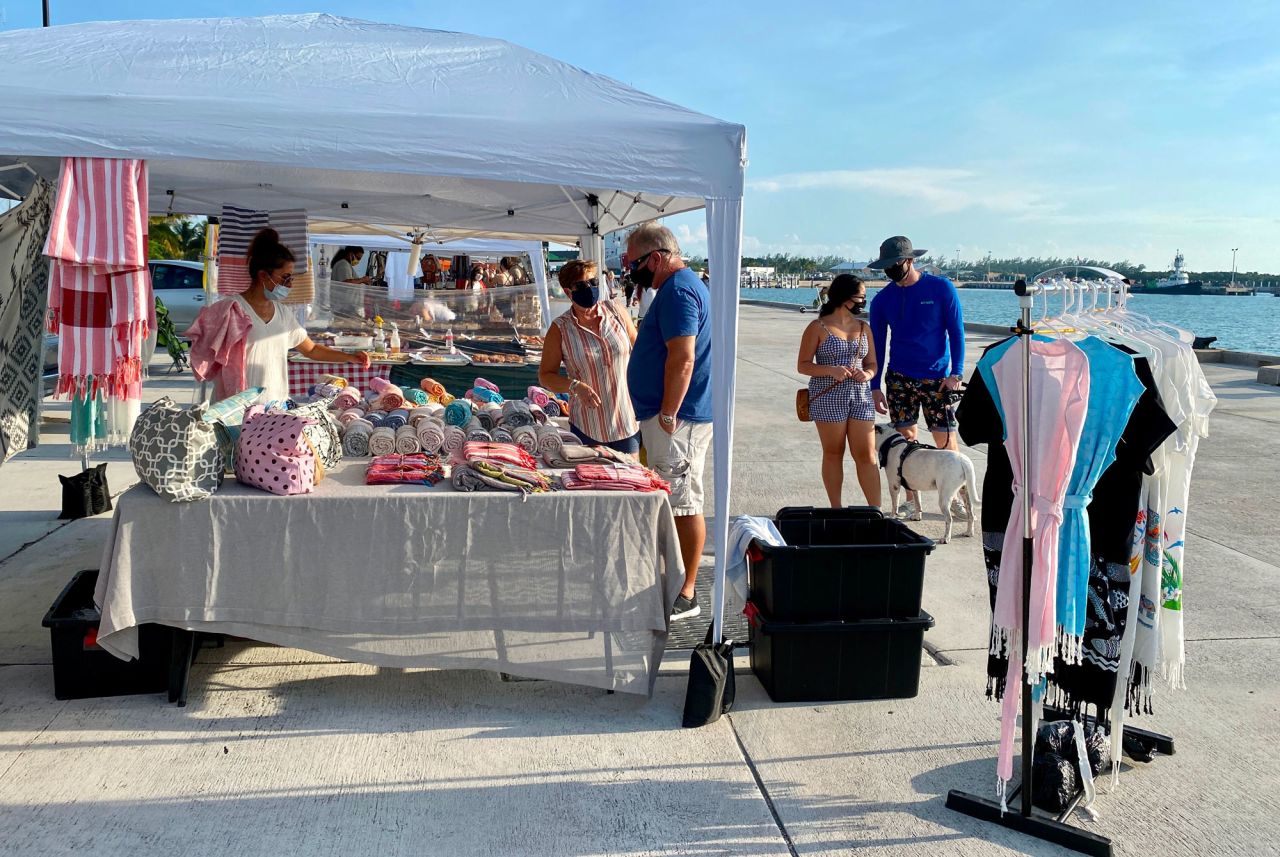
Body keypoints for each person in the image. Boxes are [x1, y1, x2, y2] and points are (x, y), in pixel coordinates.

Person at [625, 223, 712, 620]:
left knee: (683, 503)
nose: (631, 271)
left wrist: (668, 412)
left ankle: (687, 593)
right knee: (673, 500)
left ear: (656, 258)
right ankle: (675, 580)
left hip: (678, 420)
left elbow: (683, 357)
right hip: (670, 417)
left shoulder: (678, 291)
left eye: (634, 263)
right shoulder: (678, 289)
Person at [866, 236, 966, 512]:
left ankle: (954, 496)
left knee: (945, 439)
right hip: (899, 378)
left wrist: (956, 372)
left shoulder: (941, 288)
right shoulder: (883, 300)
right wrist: (875, 386)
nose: (891, 270)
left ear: (910, 261)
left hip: (937, 378)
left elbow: (956, 332)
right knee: (905, 441)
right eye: (886, 266)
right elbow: (877, 345)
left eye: (895, 264)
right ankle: (912, 502)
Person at [233, 229, 371, 402]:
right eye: (286, 277)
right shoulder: (231, 310)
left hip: (273, 405)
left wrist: (351, 357)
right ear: (263, 275)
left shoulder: (282, 313)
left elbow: (311, 349)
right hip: (235, 408)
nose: (290, 284)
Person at [537, 260, 640, 453]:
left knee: (631, 480)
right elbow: (545, 376)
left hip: (626, 420)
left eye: (593, 282)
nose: (590, 288)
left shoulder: (617, 312)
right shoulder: (560, 328)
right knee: (592, 480)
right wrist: (575, 386)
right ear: (568, 292)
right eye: (582, 285)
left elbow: (640, 352)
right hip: (588, 426)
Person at [796, 274, 880, 508]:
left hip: (861, 396)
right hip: (828, 395)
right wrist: (830, 370)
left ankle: (876, 510)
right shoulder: (818, 327)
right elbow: (803, 365)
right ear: (845, 297)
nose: (864, 301)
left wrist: (869, 375)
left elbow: (872, 363)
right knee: (834, 452)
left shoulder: (864, 327)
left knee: (867, 454)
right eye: (860, 296)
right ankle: (836, 508)